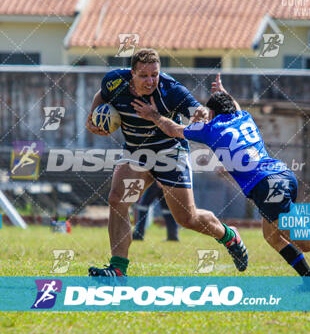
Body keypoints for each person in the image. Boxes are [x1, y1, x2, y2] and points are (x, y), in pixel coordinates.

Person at [133, 73, 310, 289]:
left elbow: (173, 129)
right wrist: (224, 92)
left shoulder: (211, 129)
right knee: (272, 236)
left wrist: (154, 115)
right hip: (284, 177)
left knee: (302, 242)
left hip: (266, 187)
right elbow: (233, 105)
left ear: (211, 113)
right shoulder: (245, 117)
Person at [85, 49, 248, 276]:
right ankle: (118, 270)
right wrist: (92, 116)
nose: (150, 81)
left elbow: (196, 112)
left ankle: (229, 236)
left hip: (169, 153)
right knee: (117, 199)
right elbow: (101, 95)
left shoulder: (171, 90)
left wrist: (200, 113)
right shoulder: (114, 81)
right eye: (144, 76)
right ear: (132, 73)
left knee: (187, 218)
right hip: (136, 151)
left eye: (155, 74)